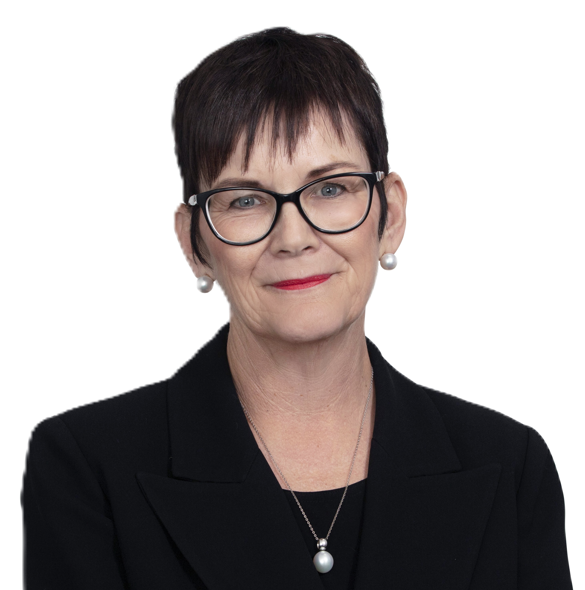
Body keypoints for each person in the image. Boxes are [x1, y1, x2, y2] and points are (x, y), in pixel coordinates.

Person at [21, 27, 573, 590]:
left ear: (391, 216)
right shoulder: (84, 471)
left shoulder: (511, 468)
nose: (293, 238)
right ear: (194, 244)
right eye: (245, 200)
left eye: (330, 189)